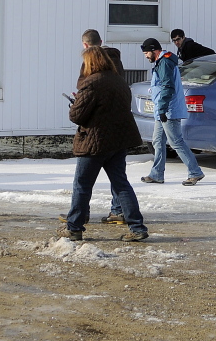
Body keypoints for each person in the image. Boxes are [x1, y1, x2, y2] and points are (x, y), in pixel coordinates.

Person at [59, 46, 149, 242]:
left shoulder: (92, 83)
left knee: (82, 185)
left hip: (95, 142)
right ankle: (137, 227)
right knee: (121, 184)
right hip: (118, 142)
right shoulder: (120, 82)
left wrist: (75, 104)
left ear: (91, 63)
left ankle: (74, 228)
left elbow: (76, 115)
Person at [72, 29, 125, 225]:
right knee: (120, 180)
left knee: (82, 183)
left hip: (96, 131)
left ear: (85, 46)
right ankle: (123, 214)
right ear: (101, 41)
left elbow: (78, 107)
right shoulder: (116, 63)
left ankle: (78, 219)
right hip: (119, 129)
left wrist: (80, 102)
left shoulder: (92, 73)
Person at [140, 38, 204, 186]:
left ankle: (195, 172)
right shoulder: (161, 62)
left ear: (154, 50)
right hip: (162, 109)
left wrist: (162, 109)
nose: (145, 56)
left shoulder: (165, 63)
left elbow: (167, 87)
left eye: (146, 53)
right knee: (158, 141)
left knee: (176, 142)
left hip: (169, 110)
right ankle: (156, 174)